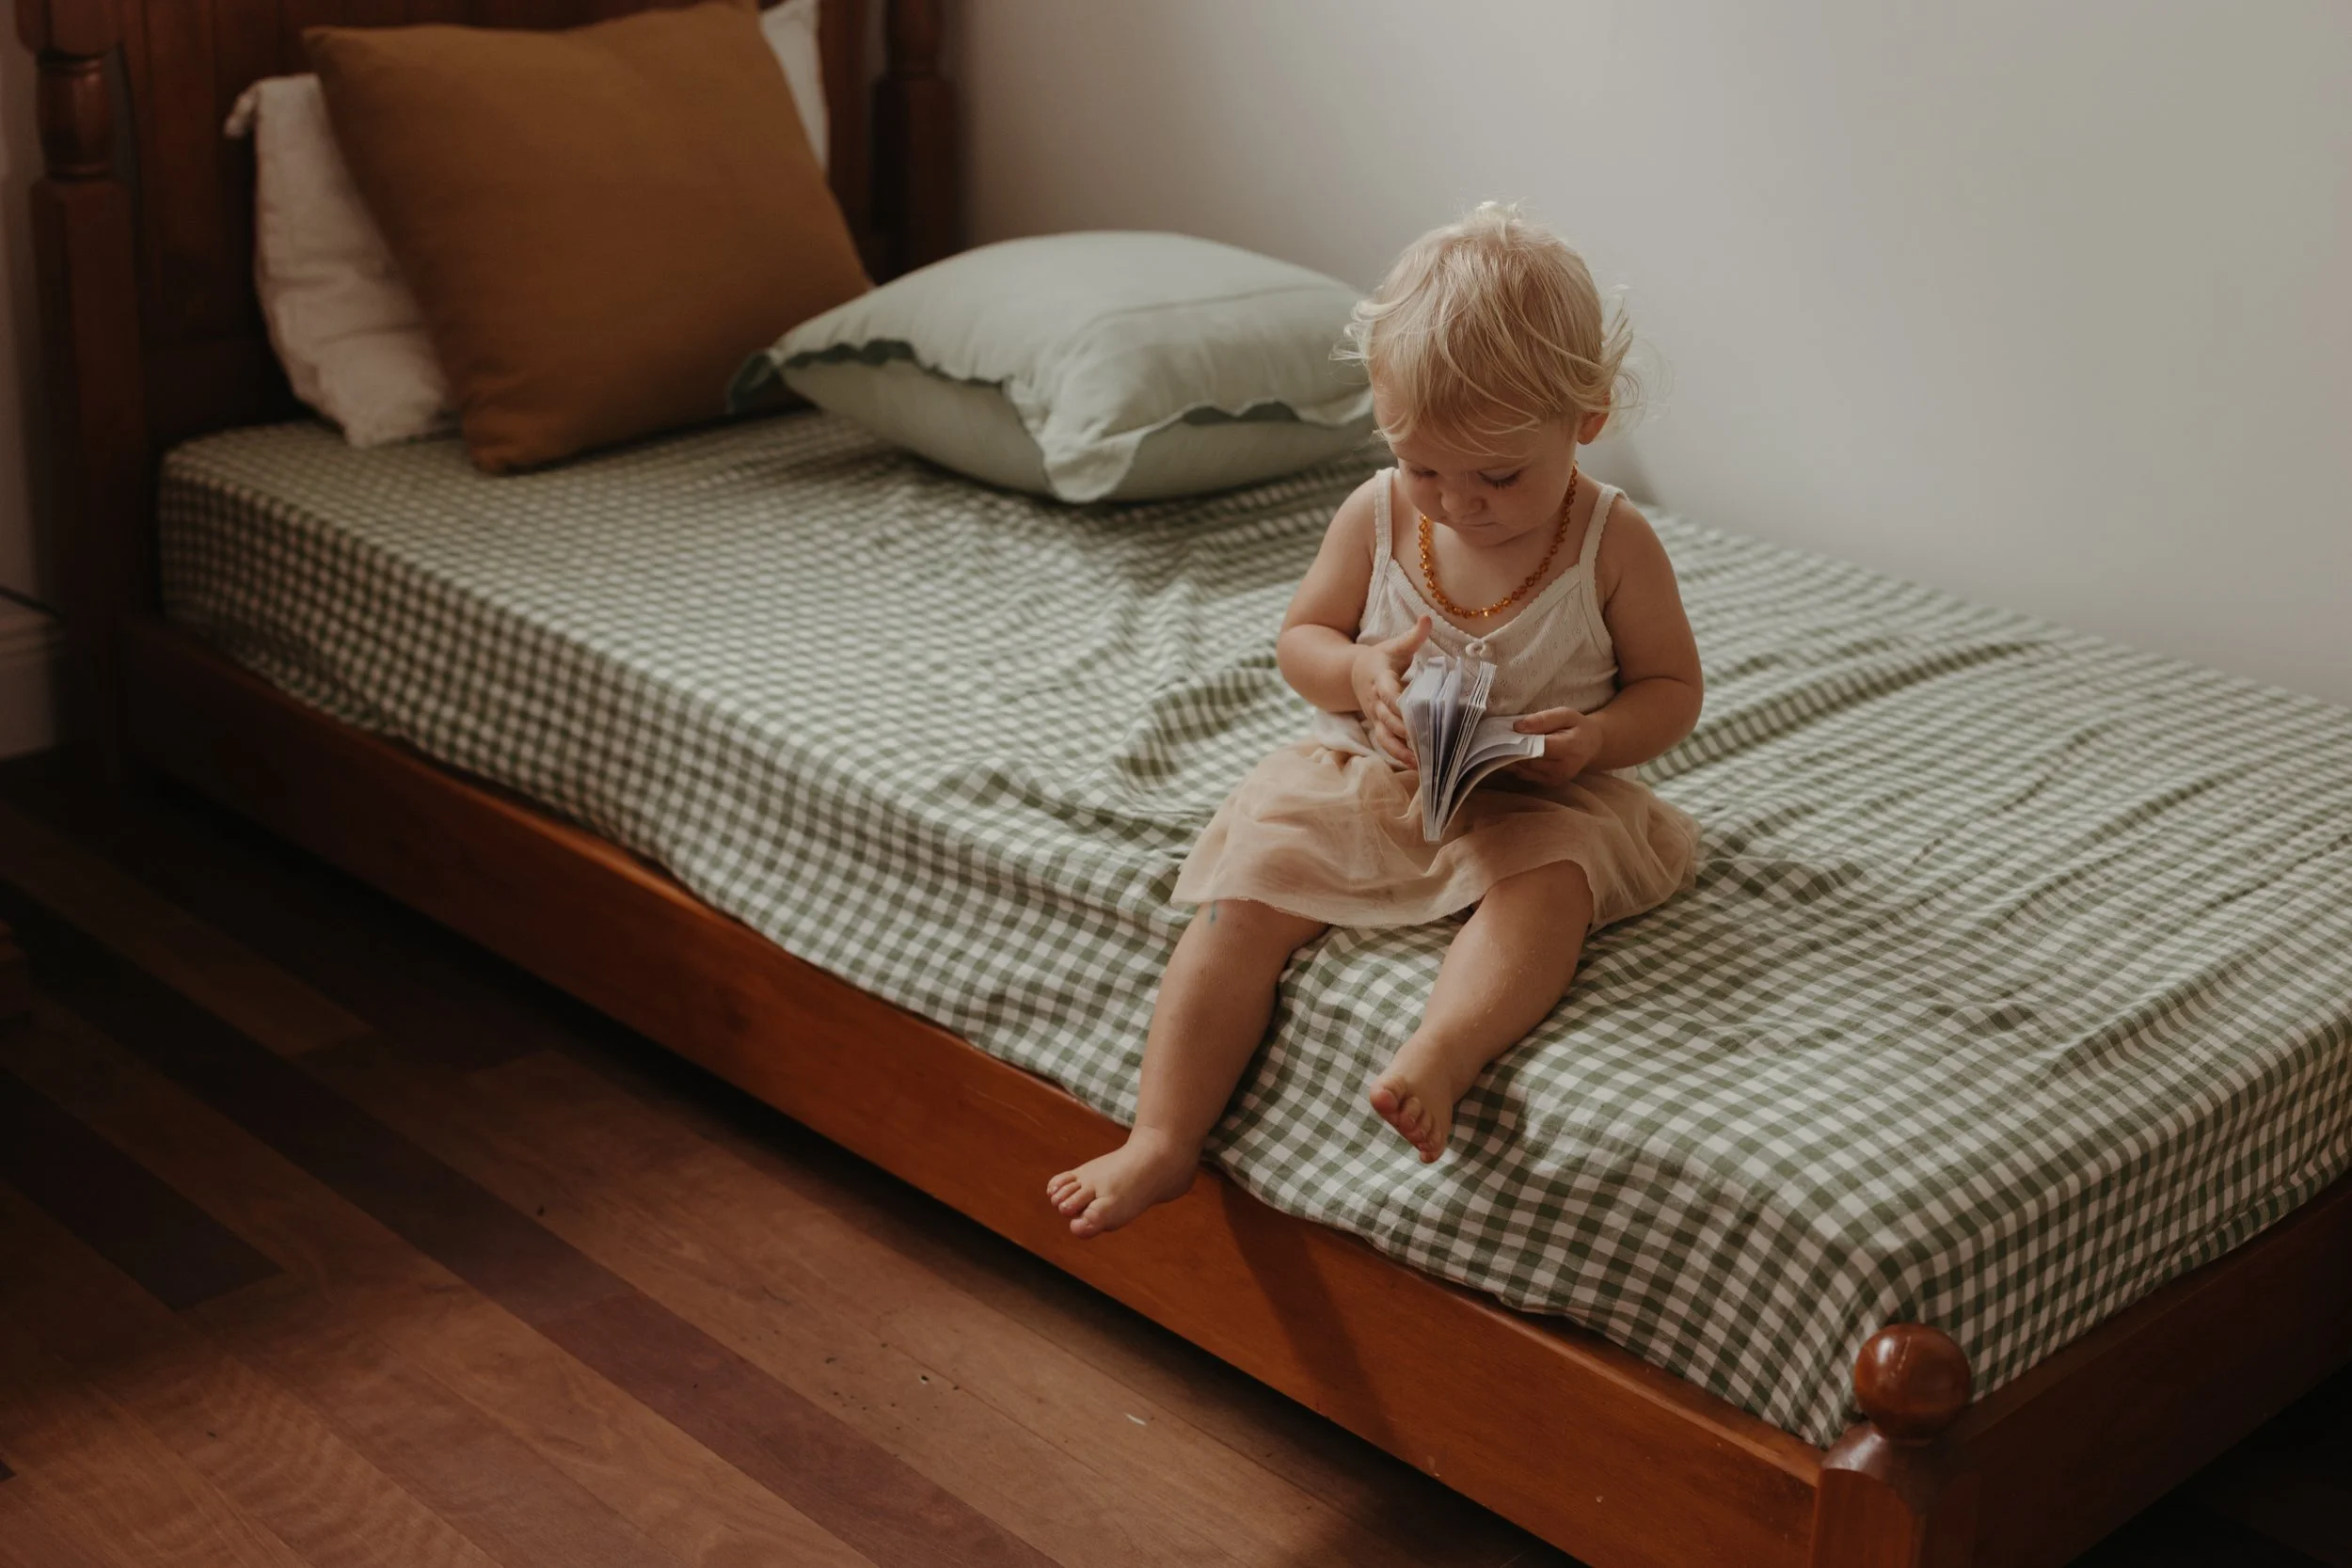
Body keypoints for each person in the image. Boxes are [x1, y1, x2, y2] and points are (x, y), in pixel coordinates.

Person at [1048, 203, 1703, 1238]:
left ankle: (1443, 1048)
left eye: (1497, 475)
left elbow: (1671, 689)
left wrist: (1596, 740)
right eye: (1422, 465)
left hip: (1536, 789)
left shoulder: (1612, 543)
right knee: (1240, 897)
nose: (1457, 504)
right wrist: (1357, 673)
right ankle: (1163, 1136)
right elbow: (1301, 637)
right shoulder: (1378, 514)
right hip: (1371, 773)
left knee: (1549, 895)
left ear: (1586, 418)